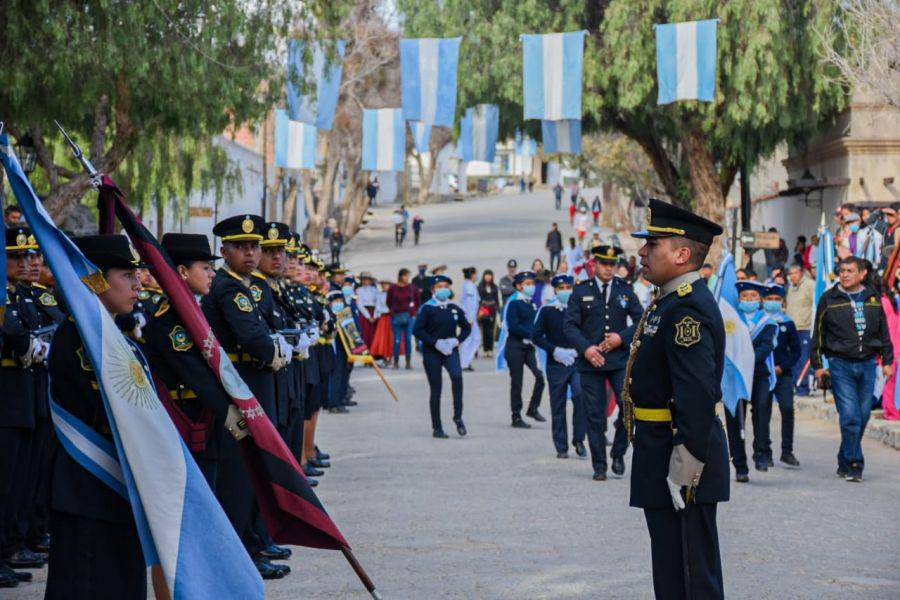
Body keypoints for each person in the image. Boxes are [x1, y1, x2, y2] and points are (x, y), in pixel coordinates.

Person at [624, 198, 729, 600]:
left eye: (653, 245)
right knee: (670, 567)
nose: (642, 251)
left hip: (680, 456)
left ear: (683, 254)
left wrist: (683, 473)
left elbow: (697, 395)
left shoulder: (686, 310)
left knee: (690, 572)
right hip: (660, 448)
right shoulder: (668, 301)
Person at [45, 234, 148, 598]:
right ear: (96, 280)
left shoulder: (117, 336)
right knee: (85, 583)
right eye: (126, 275)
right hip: (87, 481)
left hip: (119, 481)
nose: (138, 284)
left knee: (121, 579)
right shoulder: (76, 337)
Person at [201, 215, 292, 579]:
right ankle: (240, 557)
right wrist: (275, 352)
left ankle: (251, 547)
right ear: (224, 251)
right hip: (244, 385)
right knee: (240, 479)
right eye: (242, 247)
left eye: (254, 247)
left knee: (252, 474)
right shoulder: (228, 288)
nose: (251, 253)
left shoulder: (243, 285)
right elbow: (253, 339)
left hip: (252, 382)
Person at [142, 233, 232, 488]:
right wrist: (238, 420)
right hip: (188, 420)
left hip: (205, 416)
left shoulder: (191, 313)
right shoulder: (171, 321)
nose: (213, 274)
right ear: (182, 271)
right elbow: (198, 376)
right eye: (205, 268)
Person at [563, 245, 643, 480]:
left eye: (612, 265)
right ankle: (600, 464)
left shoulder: (624, 289)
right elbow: (569, 325)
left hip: (618, 360)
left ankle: (618, 452)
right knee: (595, 414)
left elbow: (641, 319)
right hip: (591, 362)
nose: (609, 269)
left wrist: (621, 338)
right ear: (594, 265)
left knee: (628, 407)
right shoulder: (581, 290)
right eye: (604, 264)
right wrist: (586, 348)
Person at [811, 256, 893, 482]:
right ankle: (856, 463)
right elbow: (817, 335)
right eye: (842, 270)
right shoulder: (829, 299)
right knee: (849, 415)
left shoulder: (873, 298)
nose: (845, 274)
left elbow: (883, 332)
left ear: (862, 274)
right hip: (840, 365)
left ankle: (844, 456)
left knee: (863, 415)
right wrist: (818, 366)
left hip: (868, 364)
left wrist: (887, 361)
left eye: (850, 270)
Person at [1, 228, 45, 588]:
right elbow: (15, 334)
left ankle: (8, 550)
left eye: (30, 256)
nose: (27, 262)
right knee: (5, 482)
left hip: (24, 394)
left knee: (19, 481)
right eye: (17, 256)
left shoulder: (21, 296)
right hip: (6, 397)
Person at [534, 274, 586, 458]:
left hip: (576, 360)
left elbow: (588, 332)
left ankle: (579, 439)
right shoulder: (547, 310)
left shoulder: (578, 308)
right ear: (555, 290)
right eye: (561, 288)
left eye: (568, 287)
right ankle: (561, 445)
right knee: (558, 403)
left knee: (580, 395)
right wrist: (554, 350)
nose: (565, 291)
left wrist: (579, 350)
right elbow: (537, 336)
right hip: (556, 363)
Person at [413, 275, 471, 438]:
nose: (443, 289)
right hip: (433, 350)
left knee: (457, 377)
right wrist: (435, 342)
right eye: (439, 286)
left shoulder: (454, 307)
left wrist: (457, 340)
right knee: (436, 388)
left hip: (450, 349)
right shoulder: (427, 308)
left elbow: (466, 328)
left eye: (446, 286)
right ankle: (437, 427)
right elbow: (417, 330)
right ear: (433, 290)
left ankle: (458, 416)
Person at [762, 284, 802, 467]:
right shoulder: (759, 322)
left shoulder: (787, 323)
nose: (772, 302)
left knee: (787, 408)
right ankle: (765, 451)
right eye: (769, 299)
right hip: (763, 374)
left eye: (776, 299)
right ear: (763, 301)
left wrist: (782, 367)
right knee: (763, 412)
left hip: (782, 374)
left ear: (782, 302)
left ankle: (787, 451)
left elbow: (796, 351)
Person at [502, 270, 546, 428]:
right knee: (517, 382)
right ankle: (516, 416)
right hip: (515, 347)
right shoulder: (514, 304)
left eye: (532, 284)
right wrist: (531, 334)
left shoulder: (532, 304)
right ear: (519, 286)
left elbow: (535, 324)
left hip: (528, 348)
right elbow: (513, 326)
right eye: (527, 284)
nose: (531, 287)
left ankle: (532, 408)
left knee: (539, 376)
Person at [785, 265, 815, 395]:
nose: (793, 276)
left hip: (805, 328)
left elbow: (816, 303)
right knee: (793, 359)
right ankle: (794, 385)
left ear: (801, 273)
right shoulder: (791, 288)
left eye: (795, 273)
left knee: (803, 359)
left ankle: (803, 387)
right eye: (790, 273)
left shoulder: (809, 285)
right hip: (792, 329)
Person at [387, 268, 419, 369]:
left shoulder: (412, 288)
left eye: (408, 275)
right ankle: (396, 361)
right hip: (396, 317)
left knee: (408, 339)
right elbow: (388, 301)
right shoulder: (393, 288)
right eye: (405, 275)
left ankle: (408, 362)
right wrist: (393, 310)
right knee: (397, 340)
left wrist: (413, 312)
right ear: (400, 276)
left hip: (409, 317)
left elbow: (417, 301)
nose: (407, 278)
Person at [458, 267, 481, 371]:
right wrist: (470, 319)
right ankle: (464, 363)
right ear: (472, 275)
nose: (477, 276)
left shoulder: (470, 285)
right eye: (476, 274)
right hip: (469, 318)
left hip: (471, 318)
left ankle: (466, 362)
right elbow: (469, 304)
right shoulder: (469, 287)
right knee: (470, 340)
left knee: (475, 339)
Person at [477, 270, 500, 357]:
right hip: (484, 310)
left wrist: (498, 310)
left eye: (489, 275)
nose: (488, 277)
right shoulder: (480, 287)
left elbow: (497, 299)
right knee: (484, 330)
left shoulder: (494, 287)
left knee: (491, 331)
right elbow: (479, 299)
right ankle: (485, 349)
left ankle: (490, 349)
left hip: (492, 311)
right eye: (486, 275)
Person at [355, 271, 379, 348]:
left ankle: (375, 350)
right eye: (364, 279)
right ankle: (366, 349)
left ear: (371, 281)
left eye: (367, 279)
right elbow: (359, 304)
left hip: (374, 312)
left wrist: (375, 315)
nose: (365, 281)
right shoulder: (359, 290)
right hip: (364, 313)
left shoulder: (375, 290)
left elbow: (378, 302)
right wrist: (368, 316)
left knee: (374, 332)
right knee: (365, 332)